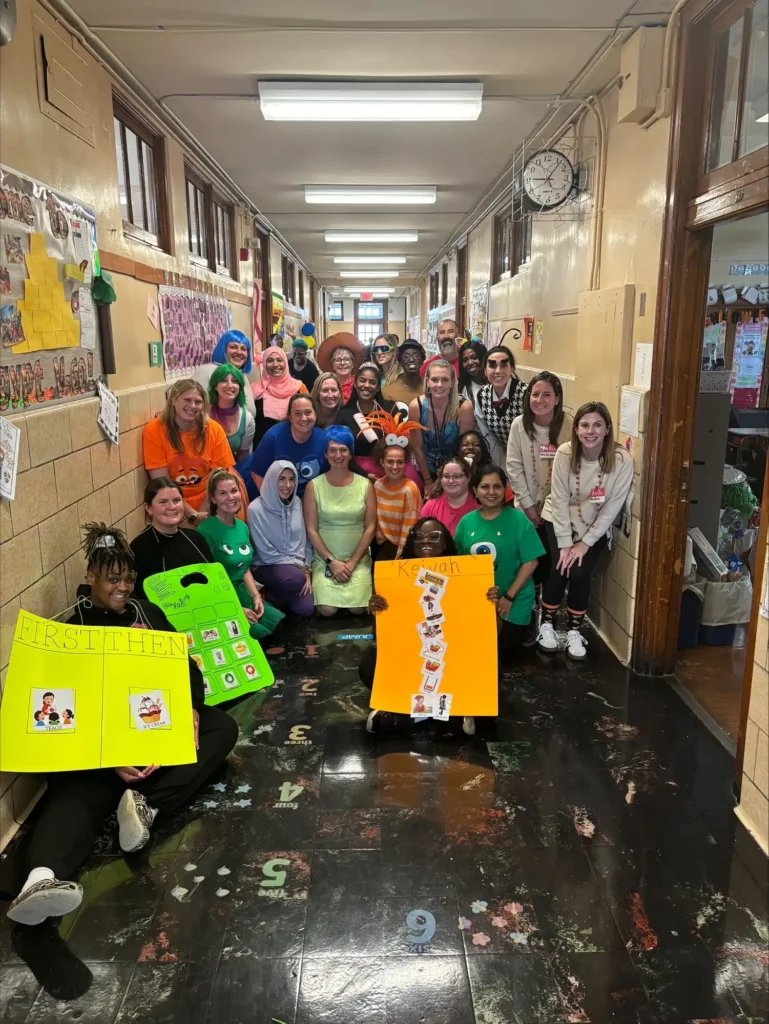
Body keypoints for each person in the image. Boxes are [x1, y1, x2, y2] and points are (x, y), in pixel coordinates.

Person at [0, 523, 238, 926]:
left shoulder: (149, 613)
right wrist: (110, 758)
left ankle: (147, 806)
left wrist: (190, 708)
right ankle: (39, 881)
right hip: (104, 755)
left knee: (221, 728)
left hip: (154, 736)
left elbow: (189, 672)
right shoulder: (75, 632)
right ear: (91, 576)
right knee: (74, 793)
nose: (123, 587)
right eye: (113, 579)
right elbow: (75, 713)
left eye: (128, 578)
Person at [360, 517, 499, 736]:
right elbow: (382, 636)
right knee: (369, 665)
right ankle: (398, 705)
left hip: (453, 654)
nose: (427, 541)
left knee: (494, 669)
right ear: (412, 542)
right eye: (420, 537)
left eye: (434, 537)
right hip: (410, 655)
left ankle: (456, 707)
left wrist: (490, 605)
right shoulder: (396, 578)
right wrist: (376, 612)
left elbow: (491, 634)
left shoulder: (467, 577)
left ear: (445, 543)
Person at [538, 401, 634, 660]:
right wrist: (566, 543)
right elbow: (558, 499)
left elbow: (613, 507)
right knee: (561, 566)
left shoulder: (622, 460)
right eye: (584, 425)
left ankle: (573, 631)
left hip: (595, 526)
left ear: (607, 429)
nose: (590, 431)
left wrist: (585, 542)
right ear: (577, 430)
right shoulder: (565, 454)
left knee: (579, 572)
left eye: (597, 425)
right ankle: (546, 624)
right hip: (559, 521)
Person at [455, 465, 544, 664]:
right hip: (478, 602)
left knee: (499, 653)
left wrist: (508, 597)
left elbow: (531, 563)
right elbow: (458, 565)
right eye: (485, 487)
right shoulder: (466, 522)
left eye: (497, 486)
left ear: (504, 489)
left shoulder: (518, 519)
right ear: (475, 490)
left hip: (512, 602)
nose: (491, 492)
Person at [506, 371, 567, 616]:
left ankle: (548, 606)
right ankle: (530, 601)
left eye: (546, 395)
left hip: (558, 506)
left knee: (551, 556)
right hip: (526, 504)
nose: (539, 400)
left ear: (557, 398)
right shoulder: (520, 424)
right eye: (535, 394)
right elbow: (514, 466)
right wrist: (530, 507)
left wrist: (549, 505)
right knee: (530, 556)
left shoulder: (568, 425)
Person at [197, 470, 285, 640]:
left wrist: (256, 597)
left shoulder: (242, 527)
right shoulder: (205, 532)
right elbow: (205, 583)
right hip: (220, 598)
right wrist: (235, 609)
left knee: (277, 628)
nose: (230, 497)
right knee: (256, 637)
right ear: (213, 498)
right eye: (223, 493)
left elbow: (244, 569)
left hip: (243, 591)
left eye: (234, 491)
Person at [303, 425, 376, 616]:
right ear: (325, 454)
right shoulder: (314, 486)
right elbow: (311, 529)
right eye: (333, 450)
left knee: (358, 609)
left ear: (351, 453)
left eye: (343, 449)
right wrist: (331, 561)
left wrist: (351, 563)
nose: (338, 454)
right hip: (326, 560)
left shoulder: (365, 485)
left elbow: (370, 527)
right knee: (327, 610)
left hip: (357, 560)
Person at [143, 378, 234, 524]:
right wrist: (191, 515)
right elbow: (162, 483)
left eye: (198, 402)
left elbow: (219, 478)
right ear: (174, 400)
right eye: (187, 400)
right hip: (172, 504)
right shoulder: (154, 431)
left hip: (210, 500)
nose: (193, 406)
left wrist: (202, 515)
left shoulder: (214, 429)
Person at [248, 460, 315, 617]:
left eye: (292, 479)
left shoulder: (297, 502)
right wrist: (300, 567)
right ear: (272, 479)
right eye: (282, 479)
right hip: (267, 565)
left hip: (295, 569)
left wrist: (307, 567)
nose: (288, 485)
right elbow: (265, 553)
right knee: (296, 579)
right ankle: (274, 595)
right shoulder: (255, 509)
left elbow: (305, 540)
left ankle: (274, 598)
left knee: (306, 609)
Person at [131, 477, 214, 598]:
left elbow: (213, 580)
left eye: (176, 500)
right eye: (163, 502)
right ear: (148, 508)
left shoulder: (195, 538)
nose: (172, 507)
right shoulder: (138, 548)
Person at [243, 394, 328, 499]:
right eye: (297, 413)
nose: (304, 418)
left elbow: (326, 475)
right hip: (270, 495)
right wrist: (272, 502)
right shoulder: (273, 437)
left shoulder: (323, 438)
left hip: (307, 498)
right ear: (290, 418)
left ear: (316, 415)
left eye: (308, 412)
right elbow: (257, 473)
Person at [409, 360, 474, 487]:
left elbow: (464, 450)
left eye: (445, 380)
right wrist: (428, 481)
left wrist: (453, 478)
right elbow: (417, 448)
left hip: (455, 472)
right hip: (424, 470)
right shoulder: (416, 406)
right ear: (427, 382)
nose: (439, 385)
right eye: (434, 380)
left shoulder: (464, 407)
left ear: (452, 383)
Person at [337, 363, 403, 478]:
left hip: (390, 470)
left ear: (378, 387)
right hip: (356, 473)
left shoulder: (390, 409)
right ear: (355, 384)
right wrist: (364, 475)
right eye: (362, 380)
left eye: (372, 382)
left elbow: (402, 444)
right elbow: (342, 453)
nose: (367, 385)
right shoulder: (345, 415)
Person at [475, 346, 528, 465]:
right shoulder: (482, 396)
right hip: (505, 457)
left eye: (504, 365)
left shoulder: (527, 394)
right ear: (485, 370)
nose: (498, 370)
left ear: (512, 368)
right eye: (492, 365)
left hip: (532, 456)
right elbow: (491, 439)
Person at [373, 442, 422, 559]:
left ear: (405, 463)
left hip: (400, 548)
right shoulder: (378, 485)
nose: (395, 467)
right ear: (382, 462)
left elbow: (409, 528)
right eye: (390, 461)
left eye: (399, 462)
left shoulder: (409, 489)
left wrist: (400, 556)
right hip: (380, 545)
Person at [251, 346, 307, 447]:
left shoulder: (299, 388)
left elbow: (308, 416)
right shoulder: (255, 389)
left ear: (285, 362)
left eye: (279, 360)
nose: (275, 364)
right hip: (262, 449)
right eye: (270, 360)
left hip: (295, 448)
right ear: (264, 363)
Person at [194, 329, 256, 417]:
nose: (239, 352)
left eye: (243, 348)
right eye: (233, 347)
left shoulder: (241, 375)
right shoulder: (206, 371)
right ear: (223, 349)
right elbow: (196, 410)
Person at [420, 456, 480, 535]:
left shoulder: (479, 507)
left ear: (468, 477)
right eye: (446, 476)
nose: (451, 481)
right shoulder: (430, 507)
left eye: (457, 476)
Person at [207, 362, 255, 460]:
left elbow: (243, 457)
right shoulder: (203, 414)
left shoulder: (247, 419)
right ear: (215, 386)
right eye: (224, 380)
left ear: (240, 387)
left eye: (234, 381)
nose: (230, 385)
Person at [317, 332, 366, 403]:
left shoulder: (360, 384)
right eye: (338, 360)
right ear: (332, 364)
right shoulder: (324, 384)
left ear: (353, 364)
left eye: (347, 359)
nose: (342, 363)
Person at [382, 338, 426, 406]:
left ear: (422, 361)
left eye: (416, 356)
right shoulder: (387, 392)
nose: (411, 360)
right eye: (406, 356)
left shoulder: (429, 390)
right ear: (400, 361)